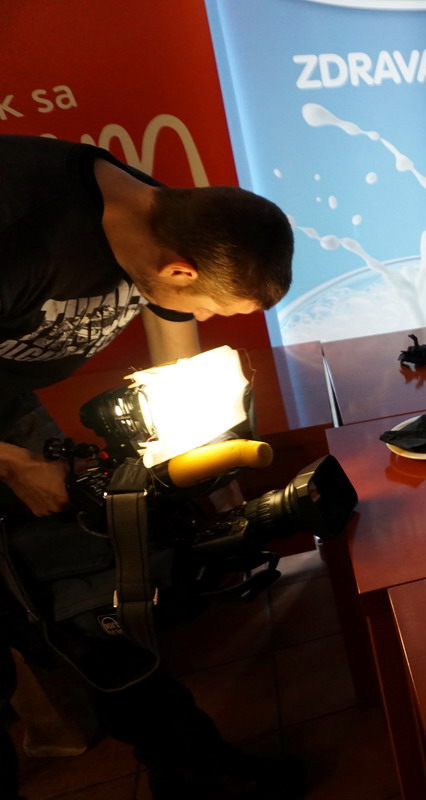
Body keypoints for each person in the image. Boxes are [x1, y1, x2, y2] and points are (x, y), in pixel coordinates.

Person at [0, 134, 300, 797]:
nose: (209, 317)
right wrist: (13, 465)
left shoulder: (161, 214)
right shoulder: (20, 223)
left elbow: (173, 339)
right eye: (213, 307)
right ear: (182, 272)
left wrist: (193, 444)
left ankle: (192, 771)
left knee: (93, 597)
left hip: (7, 403)